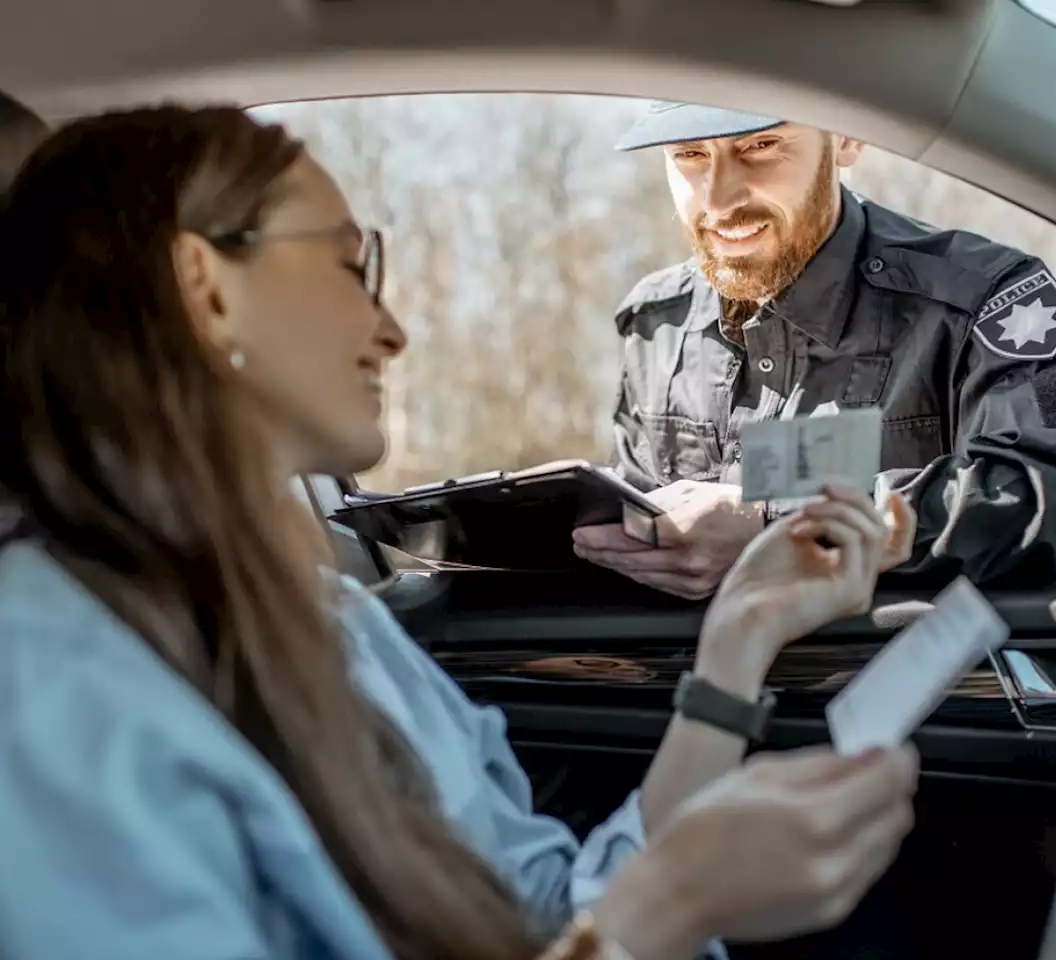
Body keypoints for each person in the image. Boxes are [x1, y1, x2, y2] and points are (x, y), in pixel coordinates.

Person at [0, 105, 921, 960]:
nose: (391, 329)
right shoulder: (41, 685)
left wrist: (739, 642)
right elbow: (606, 927)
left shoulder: (335, 623)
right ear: (204, 287)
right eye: (350, 265)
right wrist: (663, 917)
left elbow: (549, 911)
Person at [573, 102, 1056, 599]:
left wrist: (784, 530)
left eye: (761, 146)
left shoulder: (996, 301)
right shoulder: (656, 324)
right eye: (689, 156)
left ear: (846, 136)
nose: (720, 200)